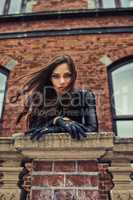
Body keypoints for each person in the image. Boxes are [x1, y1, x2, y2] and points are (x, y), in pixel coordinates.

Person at [11, 54, 98, 140]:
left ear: (73, 76)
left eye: (67, 75)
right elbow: (34, 130)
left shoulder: (86, 96)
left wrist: (56, 128)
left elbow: (92, 129)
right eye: (56, 76)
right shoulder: (39, 99)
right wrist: (57, 120)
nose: (62, 81)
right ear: (50, 78)